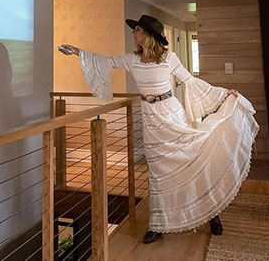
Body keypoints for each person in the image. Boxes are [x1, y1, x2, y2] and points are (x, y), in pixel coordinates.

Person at [59, 15, 259, 243]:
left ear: (147, 34)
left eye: (136, 30)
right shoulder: (132, 60)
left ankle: (212, 214)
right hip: (151, 121)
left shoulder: (169, 58)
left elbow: (190, 81)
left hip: (172, 115)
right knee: (157, 175)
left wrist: (224, 94)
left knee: (191, 162)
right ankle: (158, 224)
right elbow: (106, 61)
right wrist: (77, 51)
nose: (133, 34)